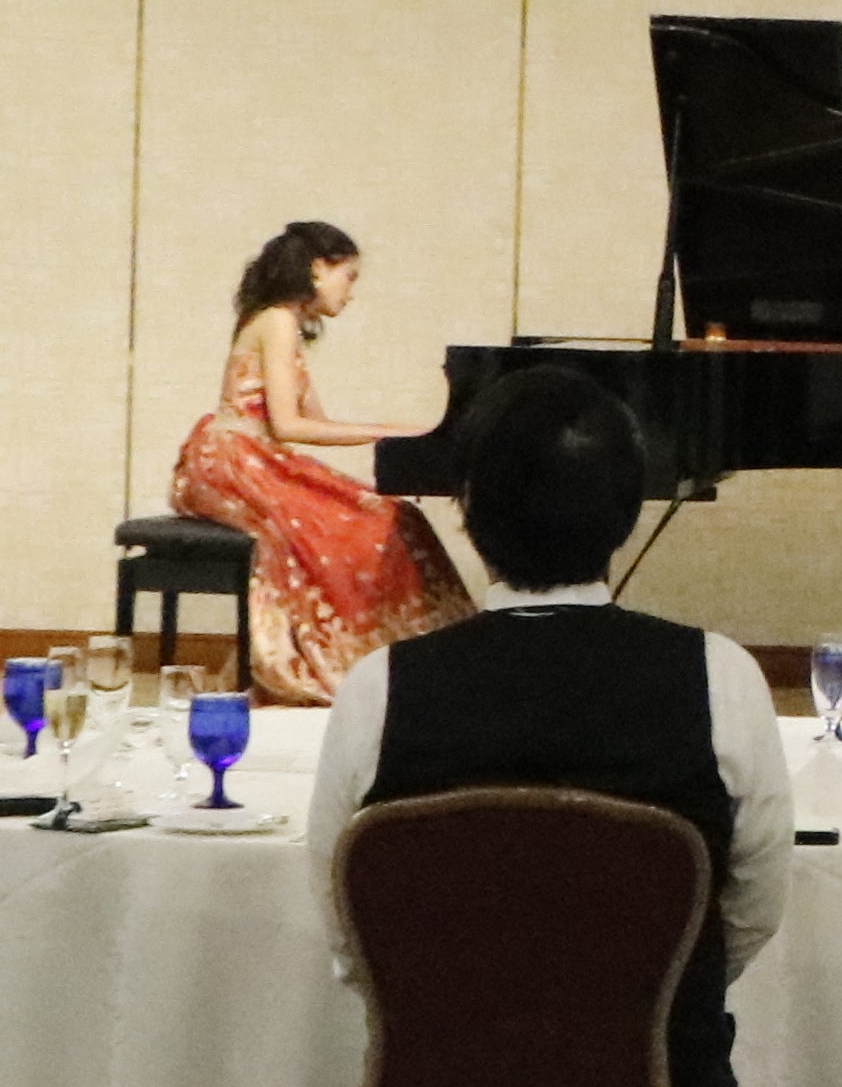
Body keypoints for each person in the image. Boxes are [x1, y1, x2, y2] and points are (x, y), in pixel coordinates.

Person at [305, 365, 791, 1087]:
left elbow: (352, 928)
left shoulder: (379, 688)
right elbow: (751, 913)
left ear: (467, 512)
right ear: (626, 514)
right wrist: (648, 997)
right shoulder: (721, 677)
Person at [170, 221, 473, 703]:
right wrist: (386, 431)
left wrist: (402, 431)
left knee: (396, 517)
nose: (350, 292)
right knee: (342, 529)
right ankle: (362, 660)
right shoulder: (276, 320)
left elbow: (316, 423)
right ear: (316, 269)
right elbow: (290, 427)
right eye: (348, 276)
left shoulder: (282, 323)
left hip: (254, 457)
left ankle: (405, 659)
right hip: (231, 460)